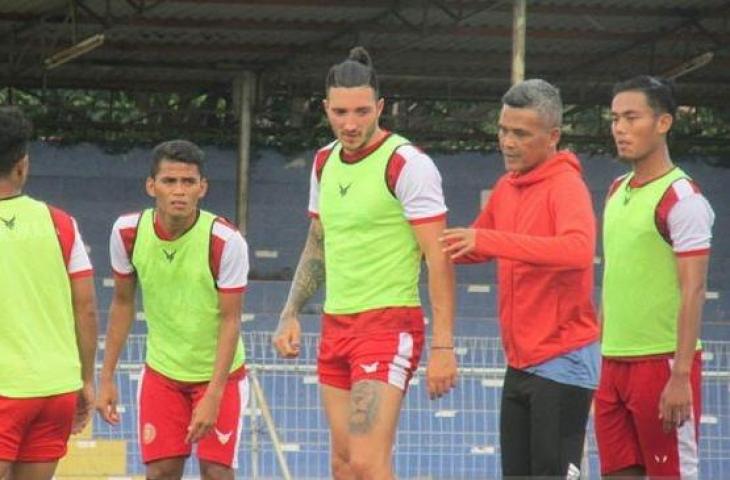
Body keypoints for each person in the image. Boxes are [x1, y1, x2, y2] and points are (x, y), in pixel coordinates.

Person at [272, 46, 457, 480]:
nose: (349, 124)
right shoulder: (323, 162)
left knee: (366, 462)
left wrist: (444, 346)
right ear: (325, 108)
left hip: (387, 326)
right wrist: (289, 313)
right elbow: (317, 243)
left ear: (380, 107)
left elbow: (439, 257)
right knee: (342, 465)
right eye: (339, 112)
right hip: (336, 327)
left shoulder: (407, 164)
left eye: (360, 111)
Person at [441, 79, 599, 479]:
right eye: (503, 130)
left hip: (562, 360)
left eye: (520, 134)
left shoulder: (567, 187)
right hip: (520, 361)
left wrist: (489, 239)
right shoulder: (506, 187)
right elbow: (475, 246)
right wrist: (424, 241)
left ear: (553, 137)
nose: (507, 142)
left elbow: (578, 251)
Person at [96, 140, 250, 480]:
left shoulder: (224, 241)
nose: (179, 191)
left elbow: (230, 319)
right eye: (169, 181)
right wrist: (105, 377)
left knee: (216, 473)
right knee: (160, 473)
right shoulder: (127, 233)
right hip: (162, 376)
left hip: (219, 378)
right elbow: (122, 304)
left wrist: (214, 394)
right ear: (151, 186)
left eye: (188, 182)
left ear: (202, 188)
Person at [596, 76, 714, 479]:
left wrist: (680, 375)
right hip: (613, 365)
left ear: (663, 123)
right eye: (615, 119)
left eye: (632, 118)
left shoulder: (682, 198)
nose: (620, 129)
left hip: (662, 366)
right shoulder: (615, 190)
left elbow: (694, 289)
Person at [0, 106, 98, 480]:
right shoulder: (60, 223)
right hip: (55, 387)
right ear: (22, 164)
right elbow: (86, 308)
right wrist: (86, 380)